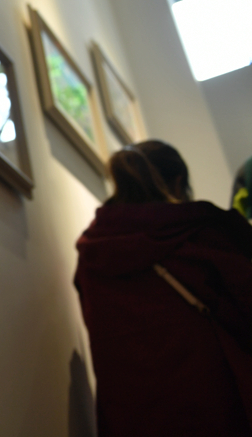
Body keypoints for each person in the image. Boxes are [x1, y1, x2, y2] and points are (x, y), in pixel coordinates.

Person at [75, 140, 252, 437]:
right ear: (179, 182)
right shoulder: (200, 231)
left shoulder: (94, 253)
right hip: (214, 404)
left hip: (131, 414)